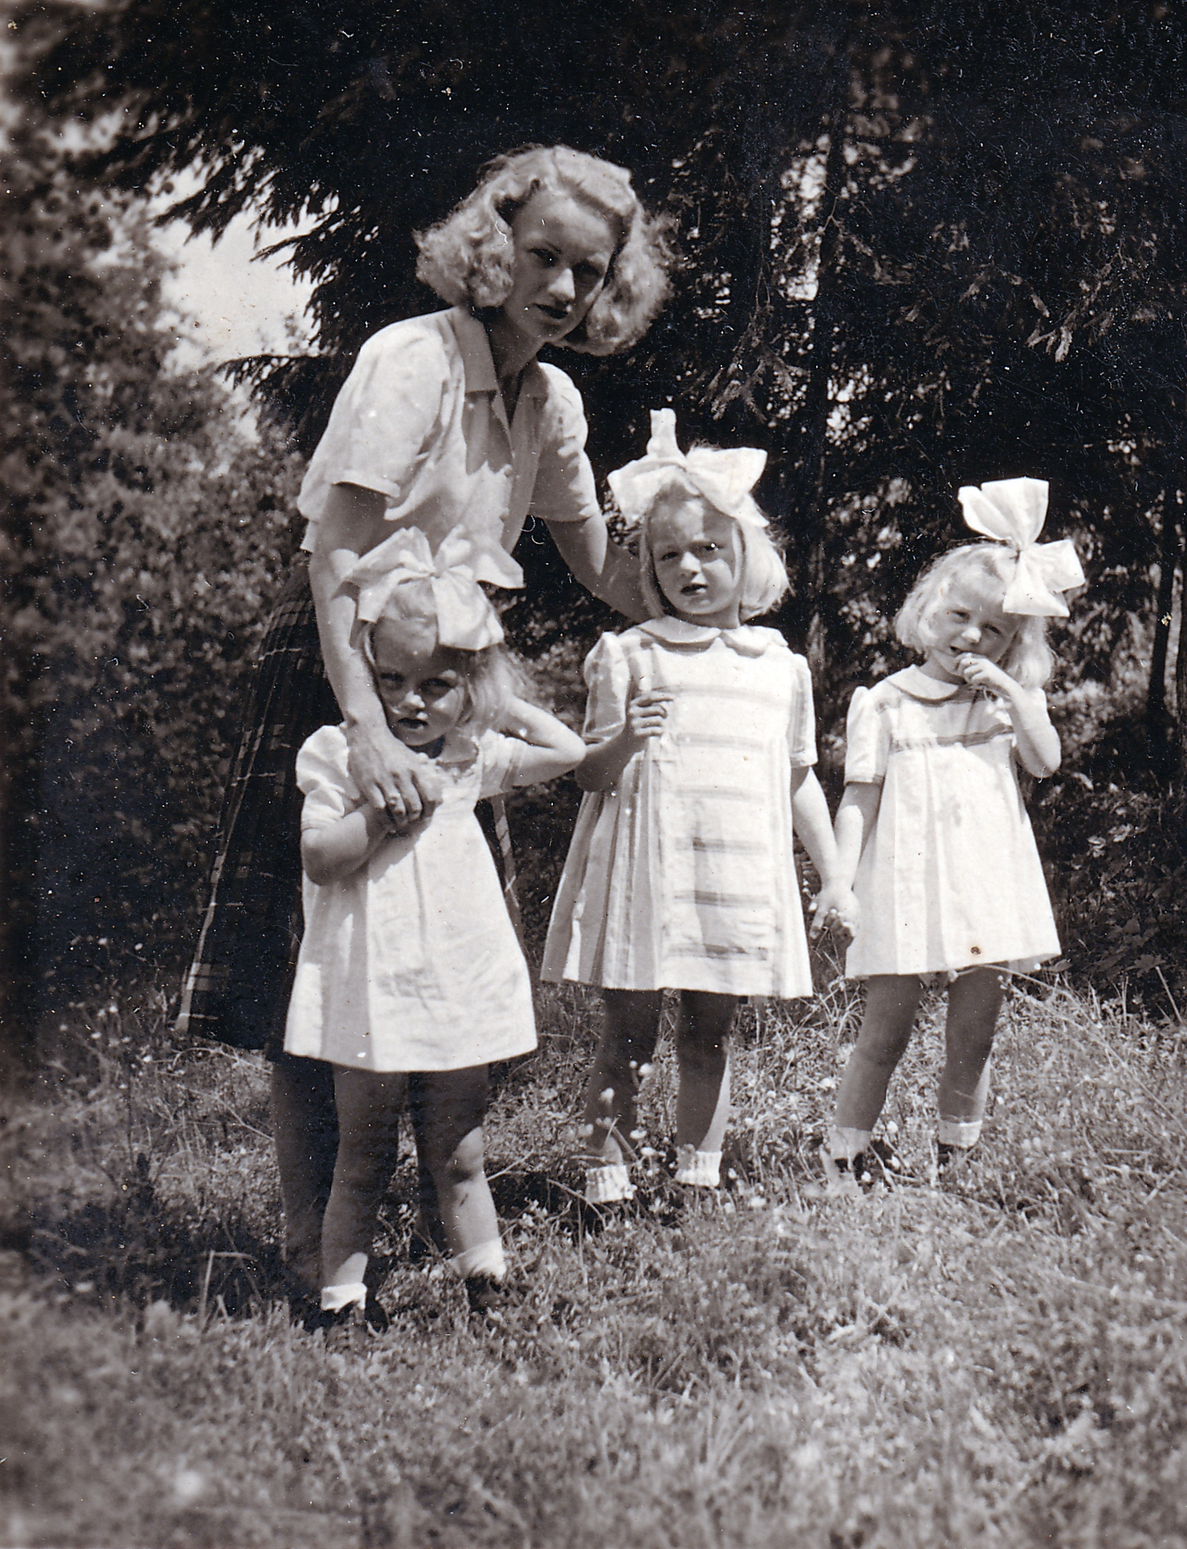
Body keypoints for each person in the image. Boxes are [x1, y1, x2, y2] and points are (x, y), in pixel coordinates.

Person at [179, 145, 673, 1300]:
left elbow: (599, 564)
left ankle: (427, 1223)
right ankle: (315, 1247)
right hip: (345, 669)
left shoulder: (552, 398)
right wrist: (363, 730)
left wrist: (700, 566)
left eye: (588, 273)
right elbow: (335, 549)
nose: (561, 289)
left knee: (427, 960)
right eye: (542, 256)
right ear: (493, 246)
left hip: (453, 688)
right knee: (321, 967)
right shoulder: (411, 360)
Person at [285, 527, 585, 1335]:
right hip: (373, 991)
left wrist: (490, 698)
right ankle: (341, 1304)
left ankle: (489, 1288)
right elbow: (319, 857)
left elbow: (566, 748)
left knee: (461, 1151)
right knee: (363, 1156)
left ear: (468, 689)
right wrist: (381, 817)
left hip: (452, 985)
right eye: (391, 680)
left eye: (436, 684)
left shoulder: (469, 756)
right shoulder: (340, 756)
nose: (411, 701)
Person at [541, 410, 843, 1201]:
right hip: (652, 877)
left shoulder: (778, 667)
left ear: (747, 555)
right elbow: (589, 778)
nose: (691, 568)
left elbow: (798, 779)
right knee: (629, 1031)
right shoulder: (629, 655)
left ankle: (696, 1180)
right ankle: (606, 1182)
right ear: (649, 567)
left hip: (733, 880)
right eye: (670, 553)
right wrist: (621, 744)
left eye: (710, 549)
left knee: (712, 1031)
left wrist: (835, 878)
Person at [816, 476, 1084, 1188]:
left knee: (976, 1032)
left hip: (984, 882)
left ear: (1012, 642)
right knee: (887, 1030)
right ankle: (845, 1158)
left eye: (993, 630)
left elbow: (1046, 762)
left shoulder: (1006, 705)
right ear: (928, 609)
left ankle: (956, 1157)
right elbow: (858, 799)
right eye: (960, 616)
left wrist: (1014, 693)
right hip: (905, 880)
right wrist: (840, 879)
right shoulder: (883, 703)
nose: (971, 636)